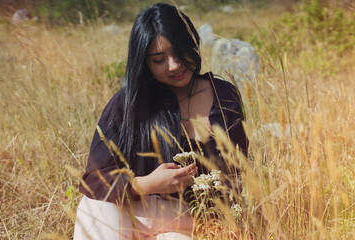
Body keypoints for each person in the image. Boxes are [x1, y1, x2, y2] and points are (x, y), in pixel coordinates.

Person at [73, 3, 248, 240]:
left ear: (194, 44)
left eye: (180, 51)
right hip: (131, 210)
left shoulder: (223, 95)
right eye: (159, 59)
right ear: (144, 62)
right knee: (96, 208)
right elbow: (95, 180)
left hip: (189, 222)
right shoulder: (129, 102)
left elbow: (237, 173)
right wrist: (145, 185)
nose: (174, 65)